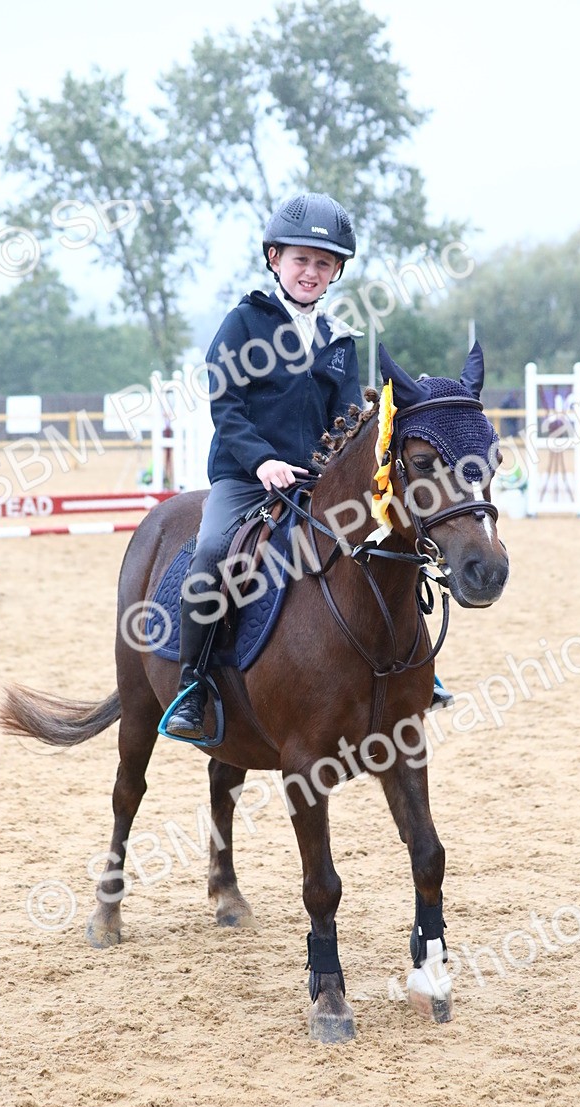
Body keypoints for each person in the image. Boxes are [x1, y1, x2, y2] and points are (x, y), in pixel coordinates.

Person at [163, 191, 362, 739]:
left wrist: (340, 469)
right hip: (245, 479)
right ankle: (192, 684)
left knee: (379, 542)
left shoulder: (340, 338)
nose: (311, 271)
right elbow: (226, 407)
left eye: (324, 263)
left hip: (316, 481)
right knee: (211, 553)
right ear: (275, 258)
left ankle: (405, 670)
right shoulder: (244, 322)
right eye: (301, 259)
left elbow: (348, 417)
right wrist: (262, 463)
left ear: (336, 271)